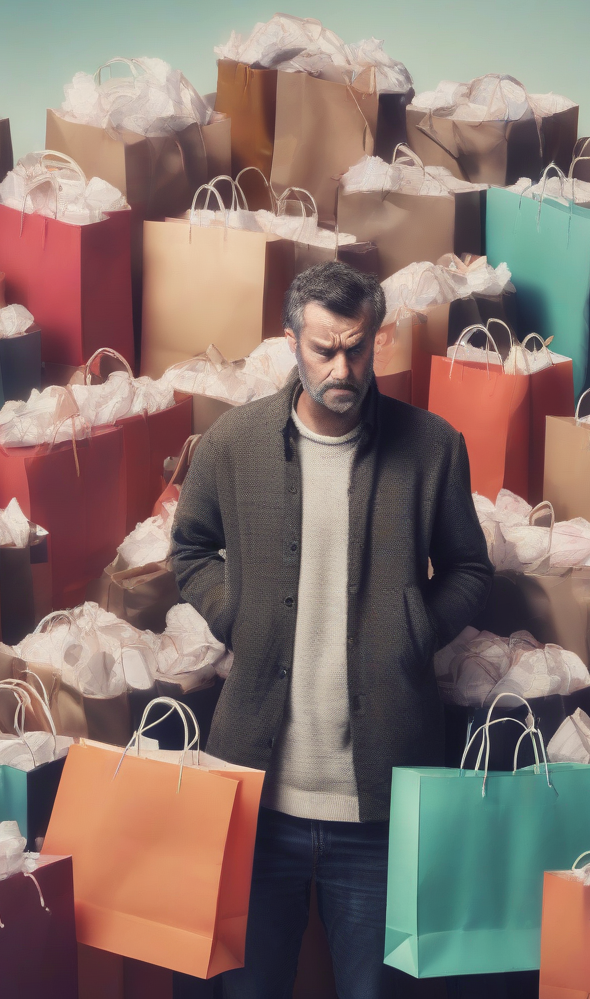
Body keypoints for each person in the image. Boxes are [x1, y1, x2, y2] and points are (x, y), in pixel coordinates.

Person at [171, 261, 493, 999]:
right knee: (246, 991)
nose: (341, 367)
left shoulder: (433, 447)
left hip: (379, 810)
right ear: (292, 342)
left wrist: (413, 629)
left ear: (376, 340)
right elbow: (188, 548)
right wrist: (237, 617)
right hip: (257, 801)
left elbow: (472, 570)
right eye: (323, 348)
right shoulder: (234, 443)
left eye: (357, 346)